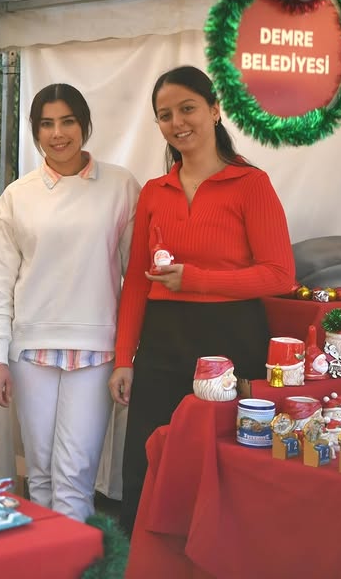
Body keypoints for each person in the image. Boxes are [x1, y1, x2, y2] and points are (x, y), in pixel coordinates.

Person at [108, 65, 294, 532]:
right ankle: (142, 557)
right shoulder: (154, 191)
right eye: (165, 115)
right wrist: (123, 358)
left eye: (187, 108)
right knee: (148, 459)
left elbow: (279, 275)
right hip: (162, 341)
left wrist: (196, 279)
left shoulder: (252, 184)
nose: (177, 122)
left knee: (223, 460)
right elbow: (135, 280)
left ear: (214, 110)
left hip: (231, 341)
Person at [0, 83, 140, 522]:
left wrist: (127, 353)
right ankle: (46, 562)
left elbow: (136, 280)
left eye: (68, 121)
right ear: (35, 131)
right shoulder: (16, 196)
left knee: (74, 474)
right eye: (47, 123)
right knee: (40, 475)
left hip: (97, 351)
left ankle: (72, 564)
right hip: (30, 351)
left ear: (85, 124)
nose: (58, 133)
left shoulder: (122, 187)